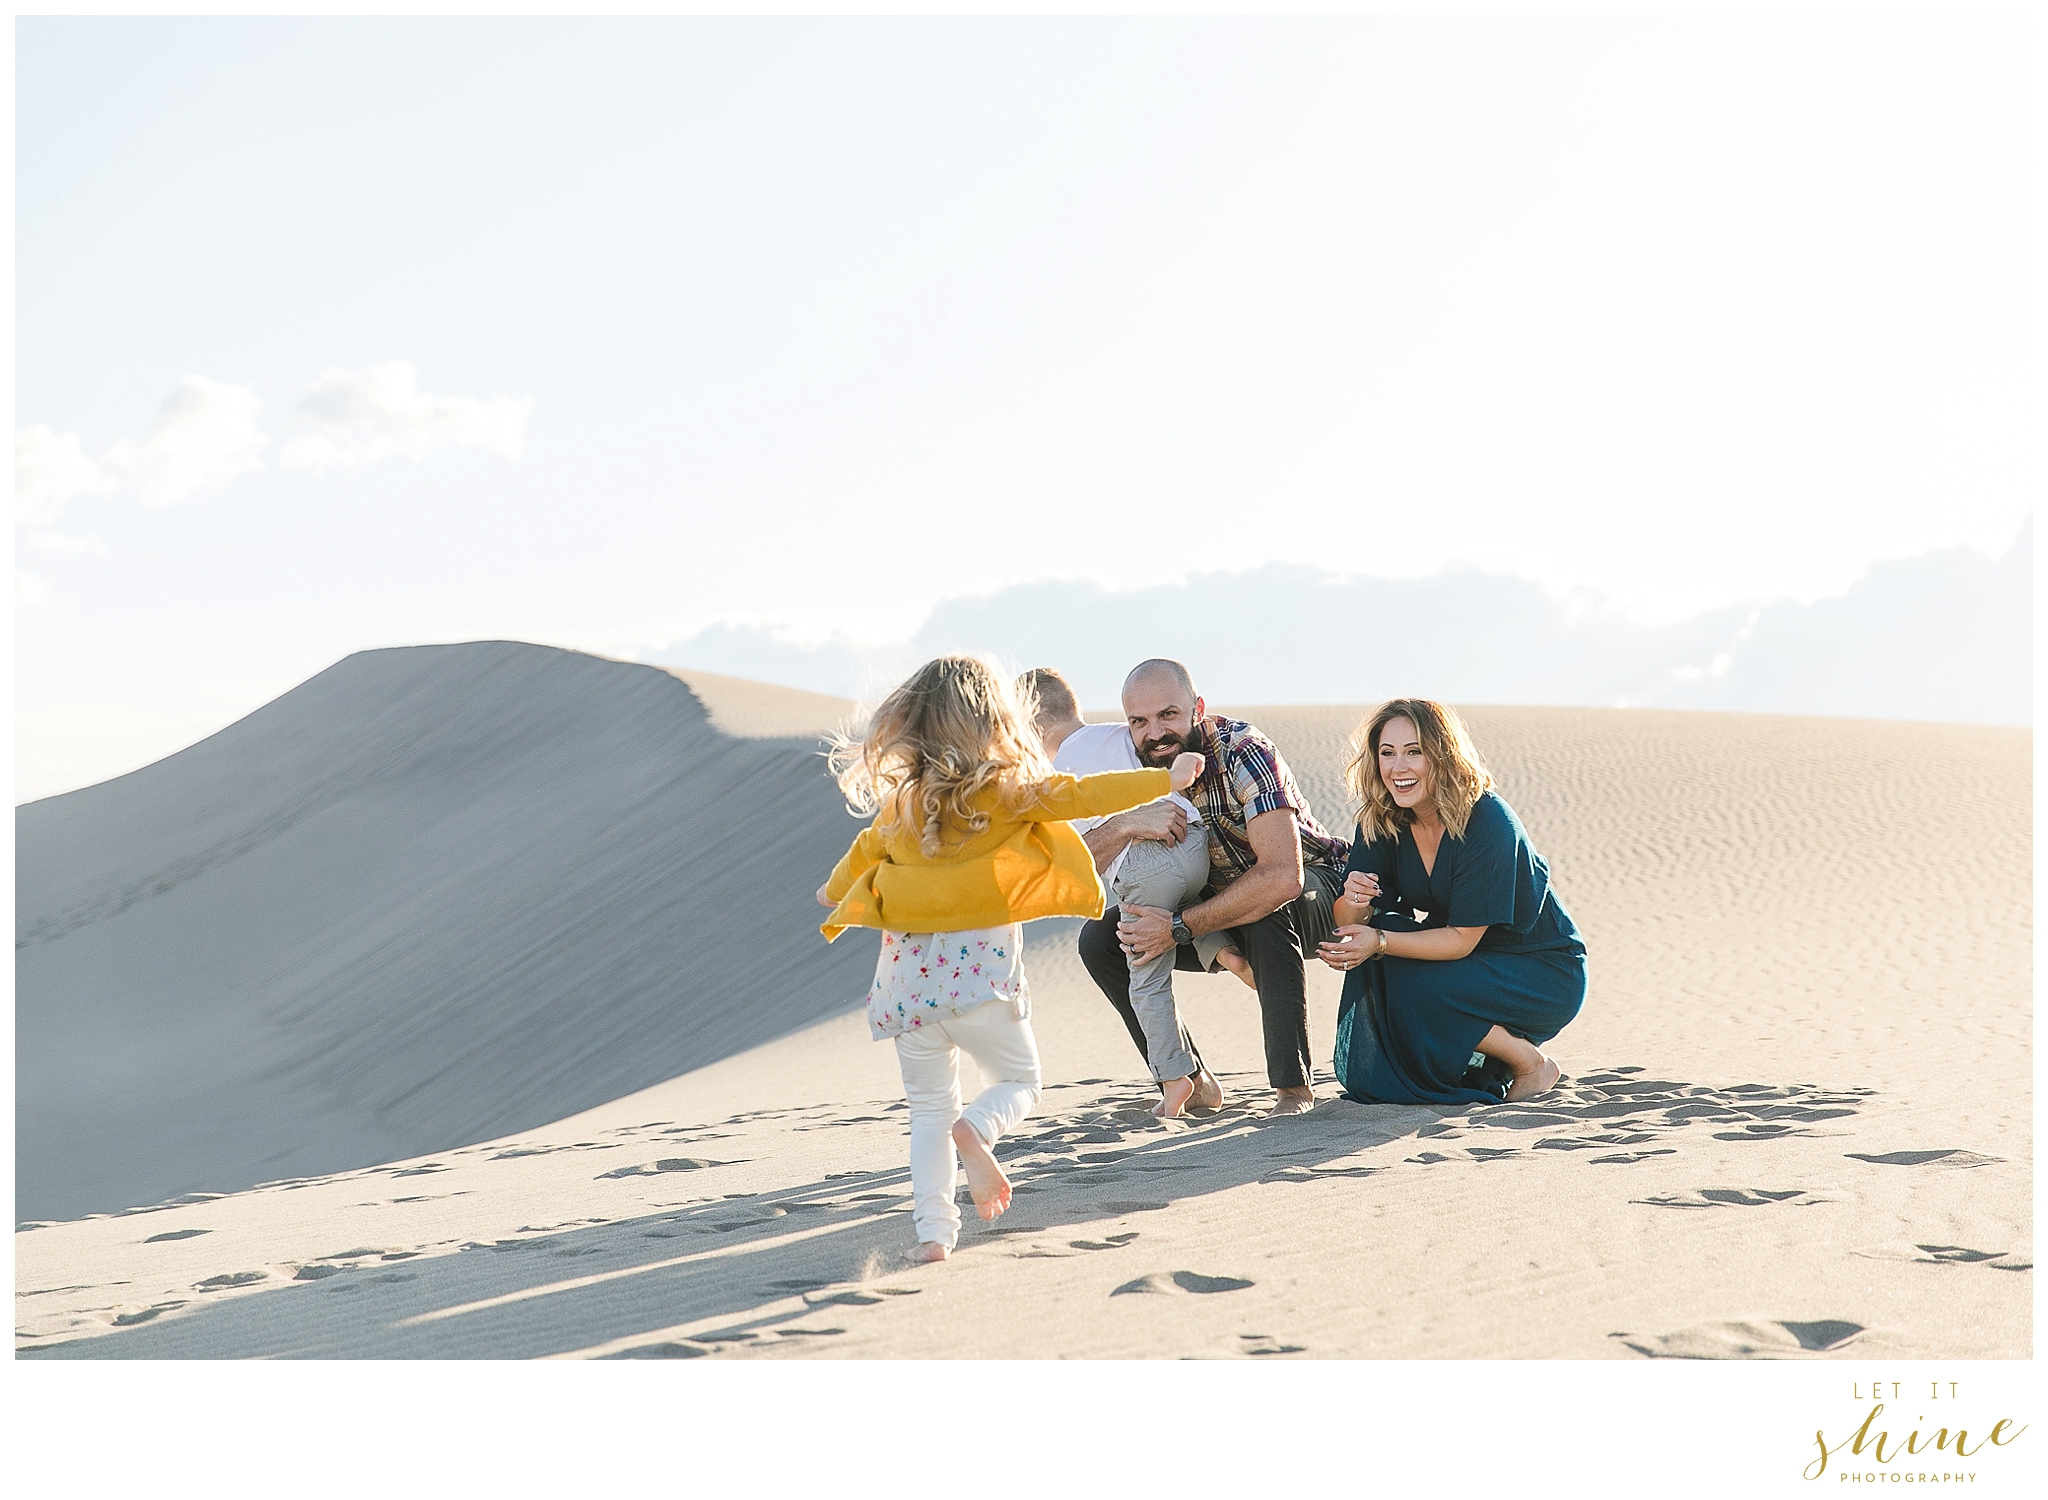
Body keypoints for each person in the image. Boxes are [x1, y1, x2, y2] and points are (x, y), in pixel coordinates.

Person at [816, 655, 1205, 1264]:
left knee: (926, 1112)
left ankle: (935, 1234)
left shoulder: (897, 809)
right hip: (981, 986)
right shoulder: (1009, 792)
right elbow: (1084, 794)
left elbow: (835, 888)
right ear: (998, 721)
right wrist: (1167, 781)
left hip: (906, 994)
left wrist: (847, 891)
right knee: (1019, 1083)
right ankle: (982, 1129)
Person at [1078, 658, 1352, 1116]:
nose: (1155, 733)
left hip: (1316, 891)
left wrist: (1180, 928)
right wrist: (1125, 823)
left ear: (1197, 709)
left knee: (1264, 907)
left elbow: (1283, 876)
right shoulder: (1132, 768)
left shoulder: (1244, 750)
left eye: (1168, 714)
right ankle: (1189, 1080)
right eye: (1138, 721)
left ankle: (1293, 1090)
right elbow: (1074, 868)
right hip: (1213, 908)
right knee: (1102, 940)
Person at [1316, 698, 1586, 1105]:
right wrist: (1354, 903)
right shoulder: (1382, 818)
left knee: (1398, 958)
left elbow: (1460, 938)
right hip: (1468, 963)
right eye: (1387, 753)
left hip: (1539, 968)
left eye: (1414, 752)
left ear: (1442, 754)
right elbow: (1352, 920)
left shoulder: (1487, 819)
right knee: (1387, 950)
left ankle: (1530, 1063)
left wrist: (1379, 941)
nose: (1397, 767)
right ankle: (1439, 1070)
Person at [1018, 668, 1248, 1118]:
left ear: (1031, 727)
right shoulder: (1121, 736)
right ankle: (1221, 951)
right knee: (1173, 905)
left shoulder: (1057, 776)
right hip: (1194, 845)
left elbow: (1071, 866)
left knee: (1146, 977)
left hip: (1146, 865)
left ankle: (1177, 1078)